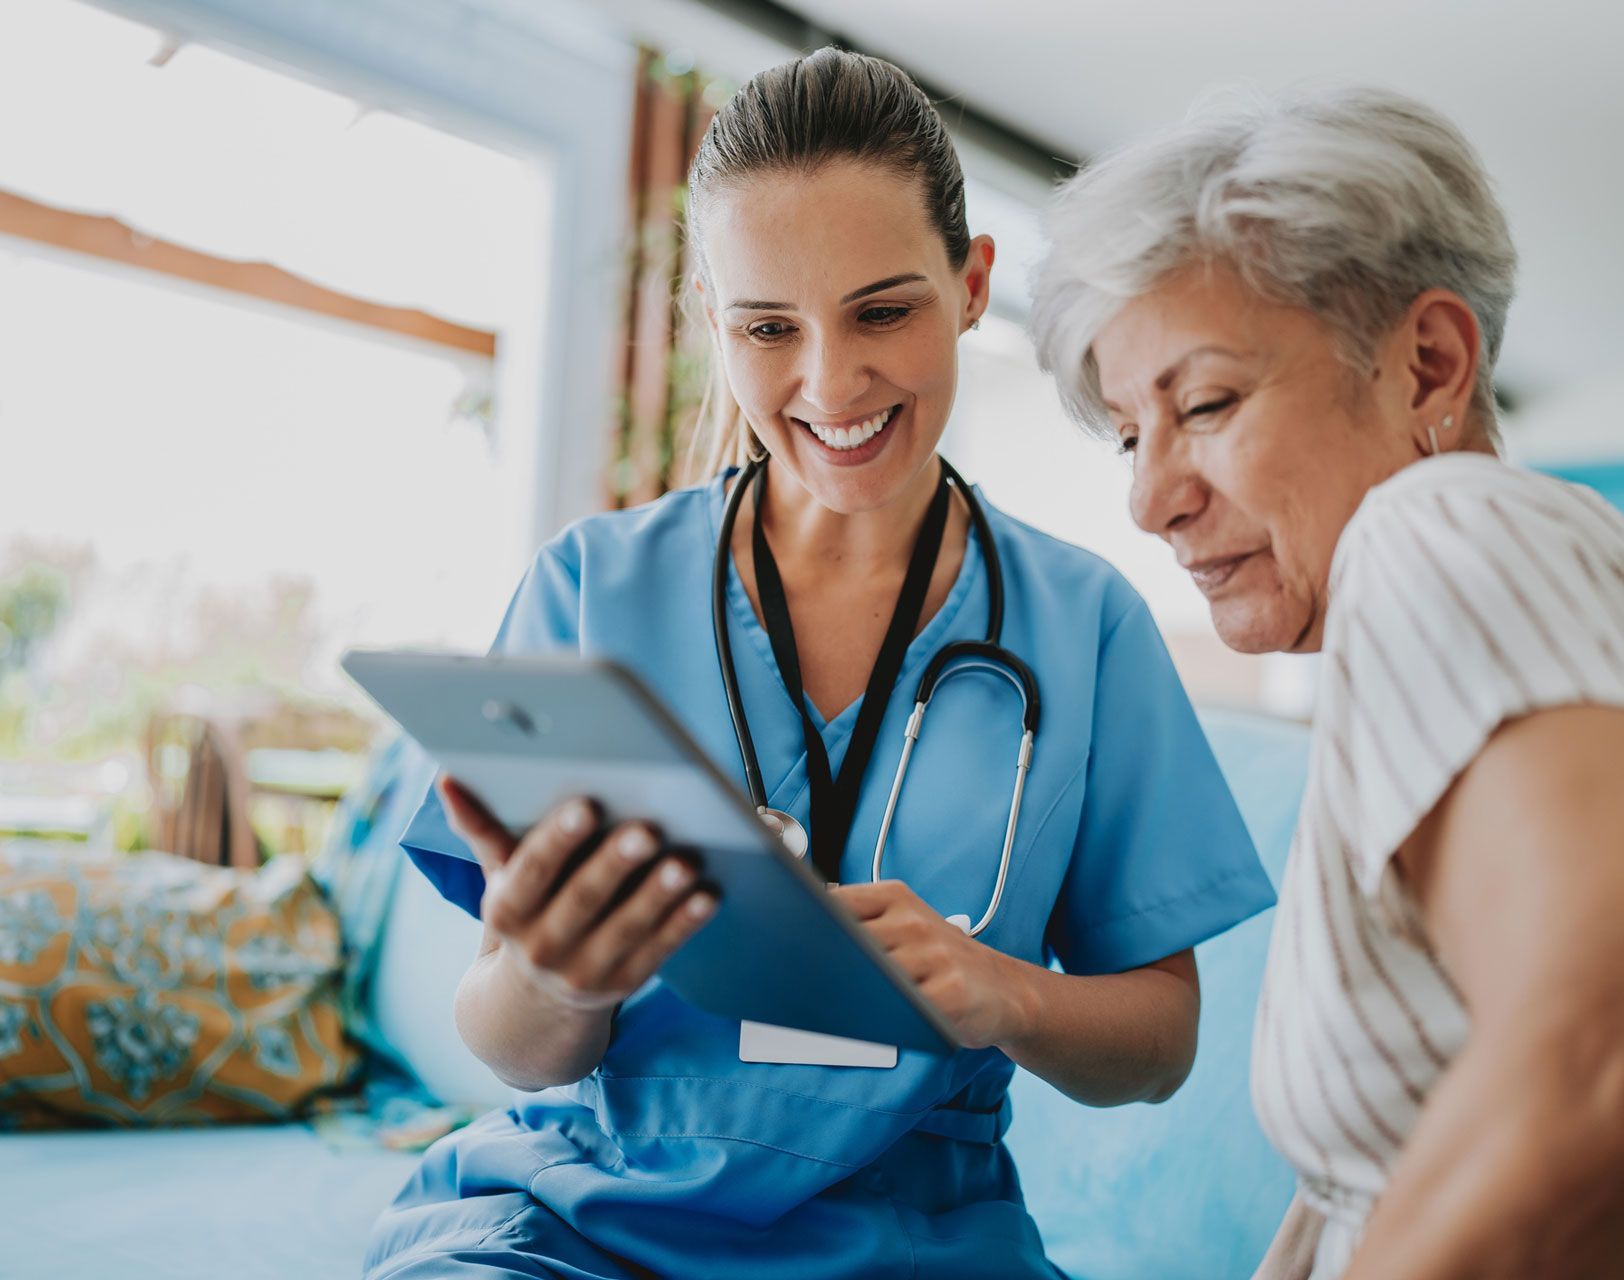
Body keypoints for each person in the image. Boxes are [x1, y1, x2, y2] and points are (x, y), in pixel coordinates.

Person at [363, 49, 1274, 1279]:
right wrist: (552, 974)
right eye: (768, 327)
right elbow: (516, 1042)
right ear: (713, 326)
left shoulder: (1085, 623)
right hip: (577, 1224)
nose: (831, 382)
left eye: (884, 309)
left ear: (971, 284)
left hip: (924, 1242)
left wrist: (1003, 991)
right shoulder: (591, 588)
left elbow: (1161, 1040)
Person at [1030, 87, 1624, 1278]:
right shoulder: (1488, 587)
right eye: (1133, 436)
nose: (1150, 500)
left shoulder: (1443, 531)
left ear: (1427, 364)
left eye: (1207, 403)